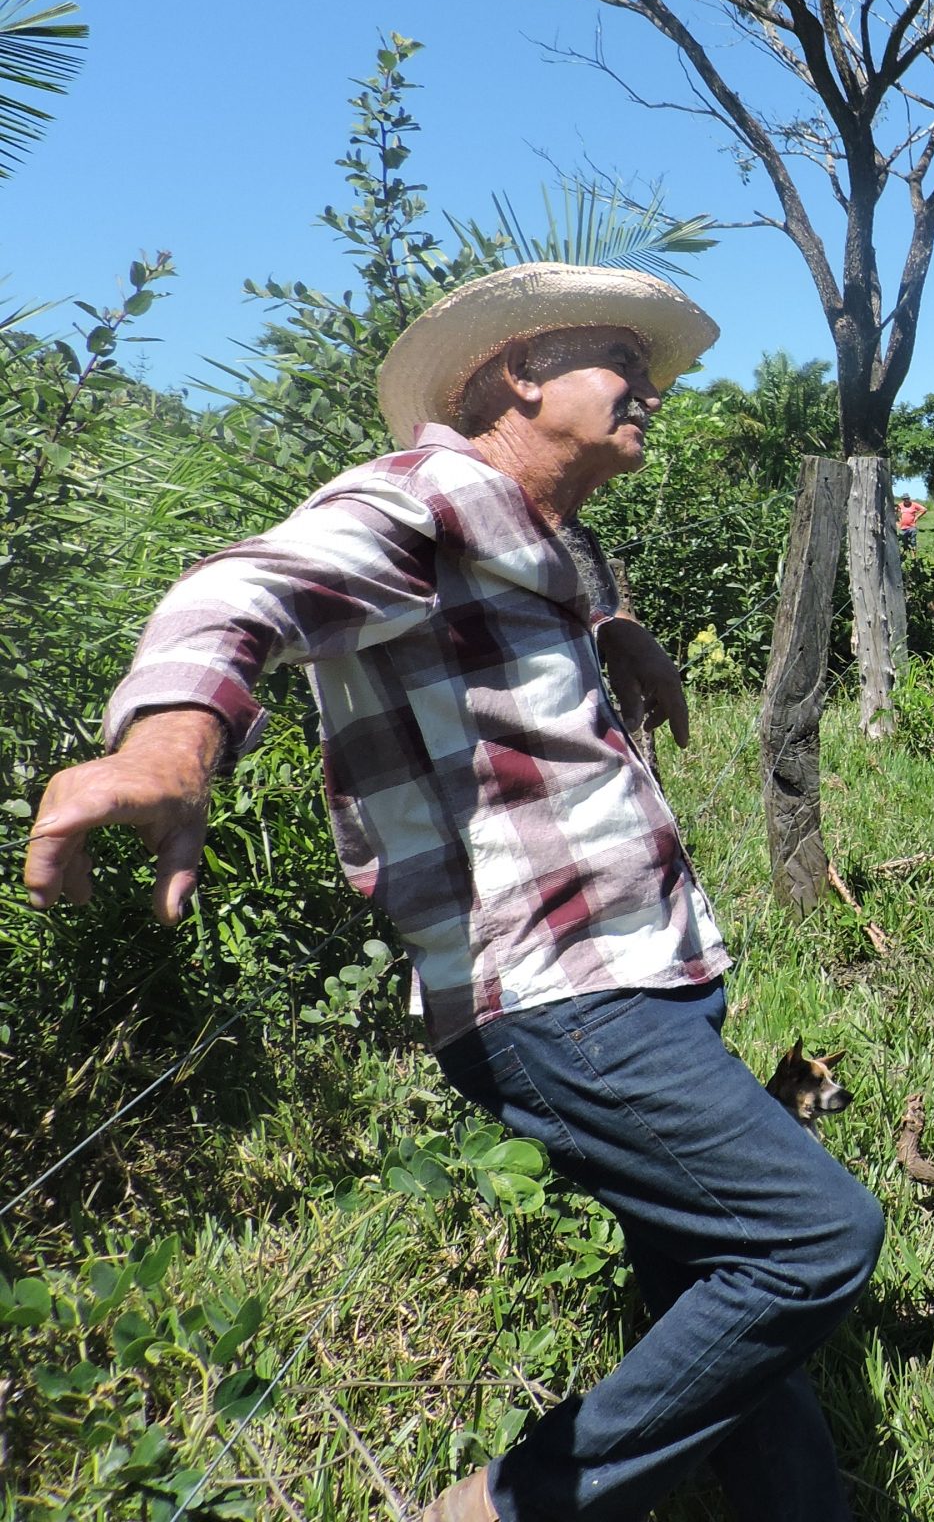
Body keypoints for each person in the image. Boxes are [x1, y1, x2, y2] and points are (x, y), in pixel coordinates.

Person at [21, 264, 884, 1522]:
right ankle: (502, 1507)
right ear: (517, 374)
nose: (652, 388)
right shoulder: (418, 501)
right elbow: (238, 591)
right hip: (558, 996)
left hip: (642, 970)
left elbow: (560, 591)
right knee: (810, 1239)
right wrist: (170, 743)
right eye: (620, 364)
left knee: (713, 1272)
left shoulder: (544, 530)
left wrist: (618, 632)